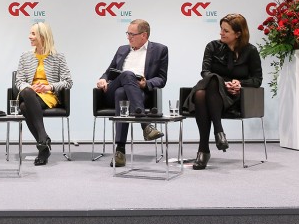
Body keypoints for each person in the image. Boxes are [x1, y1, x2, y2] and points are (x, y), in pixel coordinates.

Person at [183, 13, 262, 170]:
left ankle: (204, 150)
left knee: (201, 94)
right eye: (221, 29)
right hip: (214, 93)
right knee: (211, 81)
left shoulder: (251, 51)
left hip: (236, 98)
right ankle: (218, 132)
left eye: (226, 31)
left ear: (238, 34)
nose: (221, 33)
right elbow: (205, 72)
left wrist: (240, 83)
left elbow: (257, 79)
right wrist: (223, 83)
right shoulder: (212, 47)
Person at [96, 19, 168, 167]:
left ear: (144, 35)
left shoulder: (160, 50)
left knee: (122, 94)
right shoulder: (122, 49)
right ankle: (145, 125)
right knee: (127, 74)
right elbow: (108, 72)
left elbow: (161, 79)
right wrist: (103, 79)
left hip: (139, 93)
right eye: (127, 33)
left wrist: (146, 83)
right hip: (113, 89)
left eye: (131, 34)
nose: (128, 37)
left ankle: (120, 151)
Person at [15, 22, 73, 166]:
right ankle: (43, 138)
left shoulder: (58, 57)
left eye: (33, 34)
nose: (29, 37)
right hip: (29, 93)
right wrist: (30, 87)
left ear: (43, 36)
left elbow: (68, 82)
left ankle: (43, 148)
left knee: (23, 107)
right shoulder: (25, 56)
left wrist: (49, 87)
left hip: (48, 96)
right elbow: (19, 81)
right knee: (27, 92)